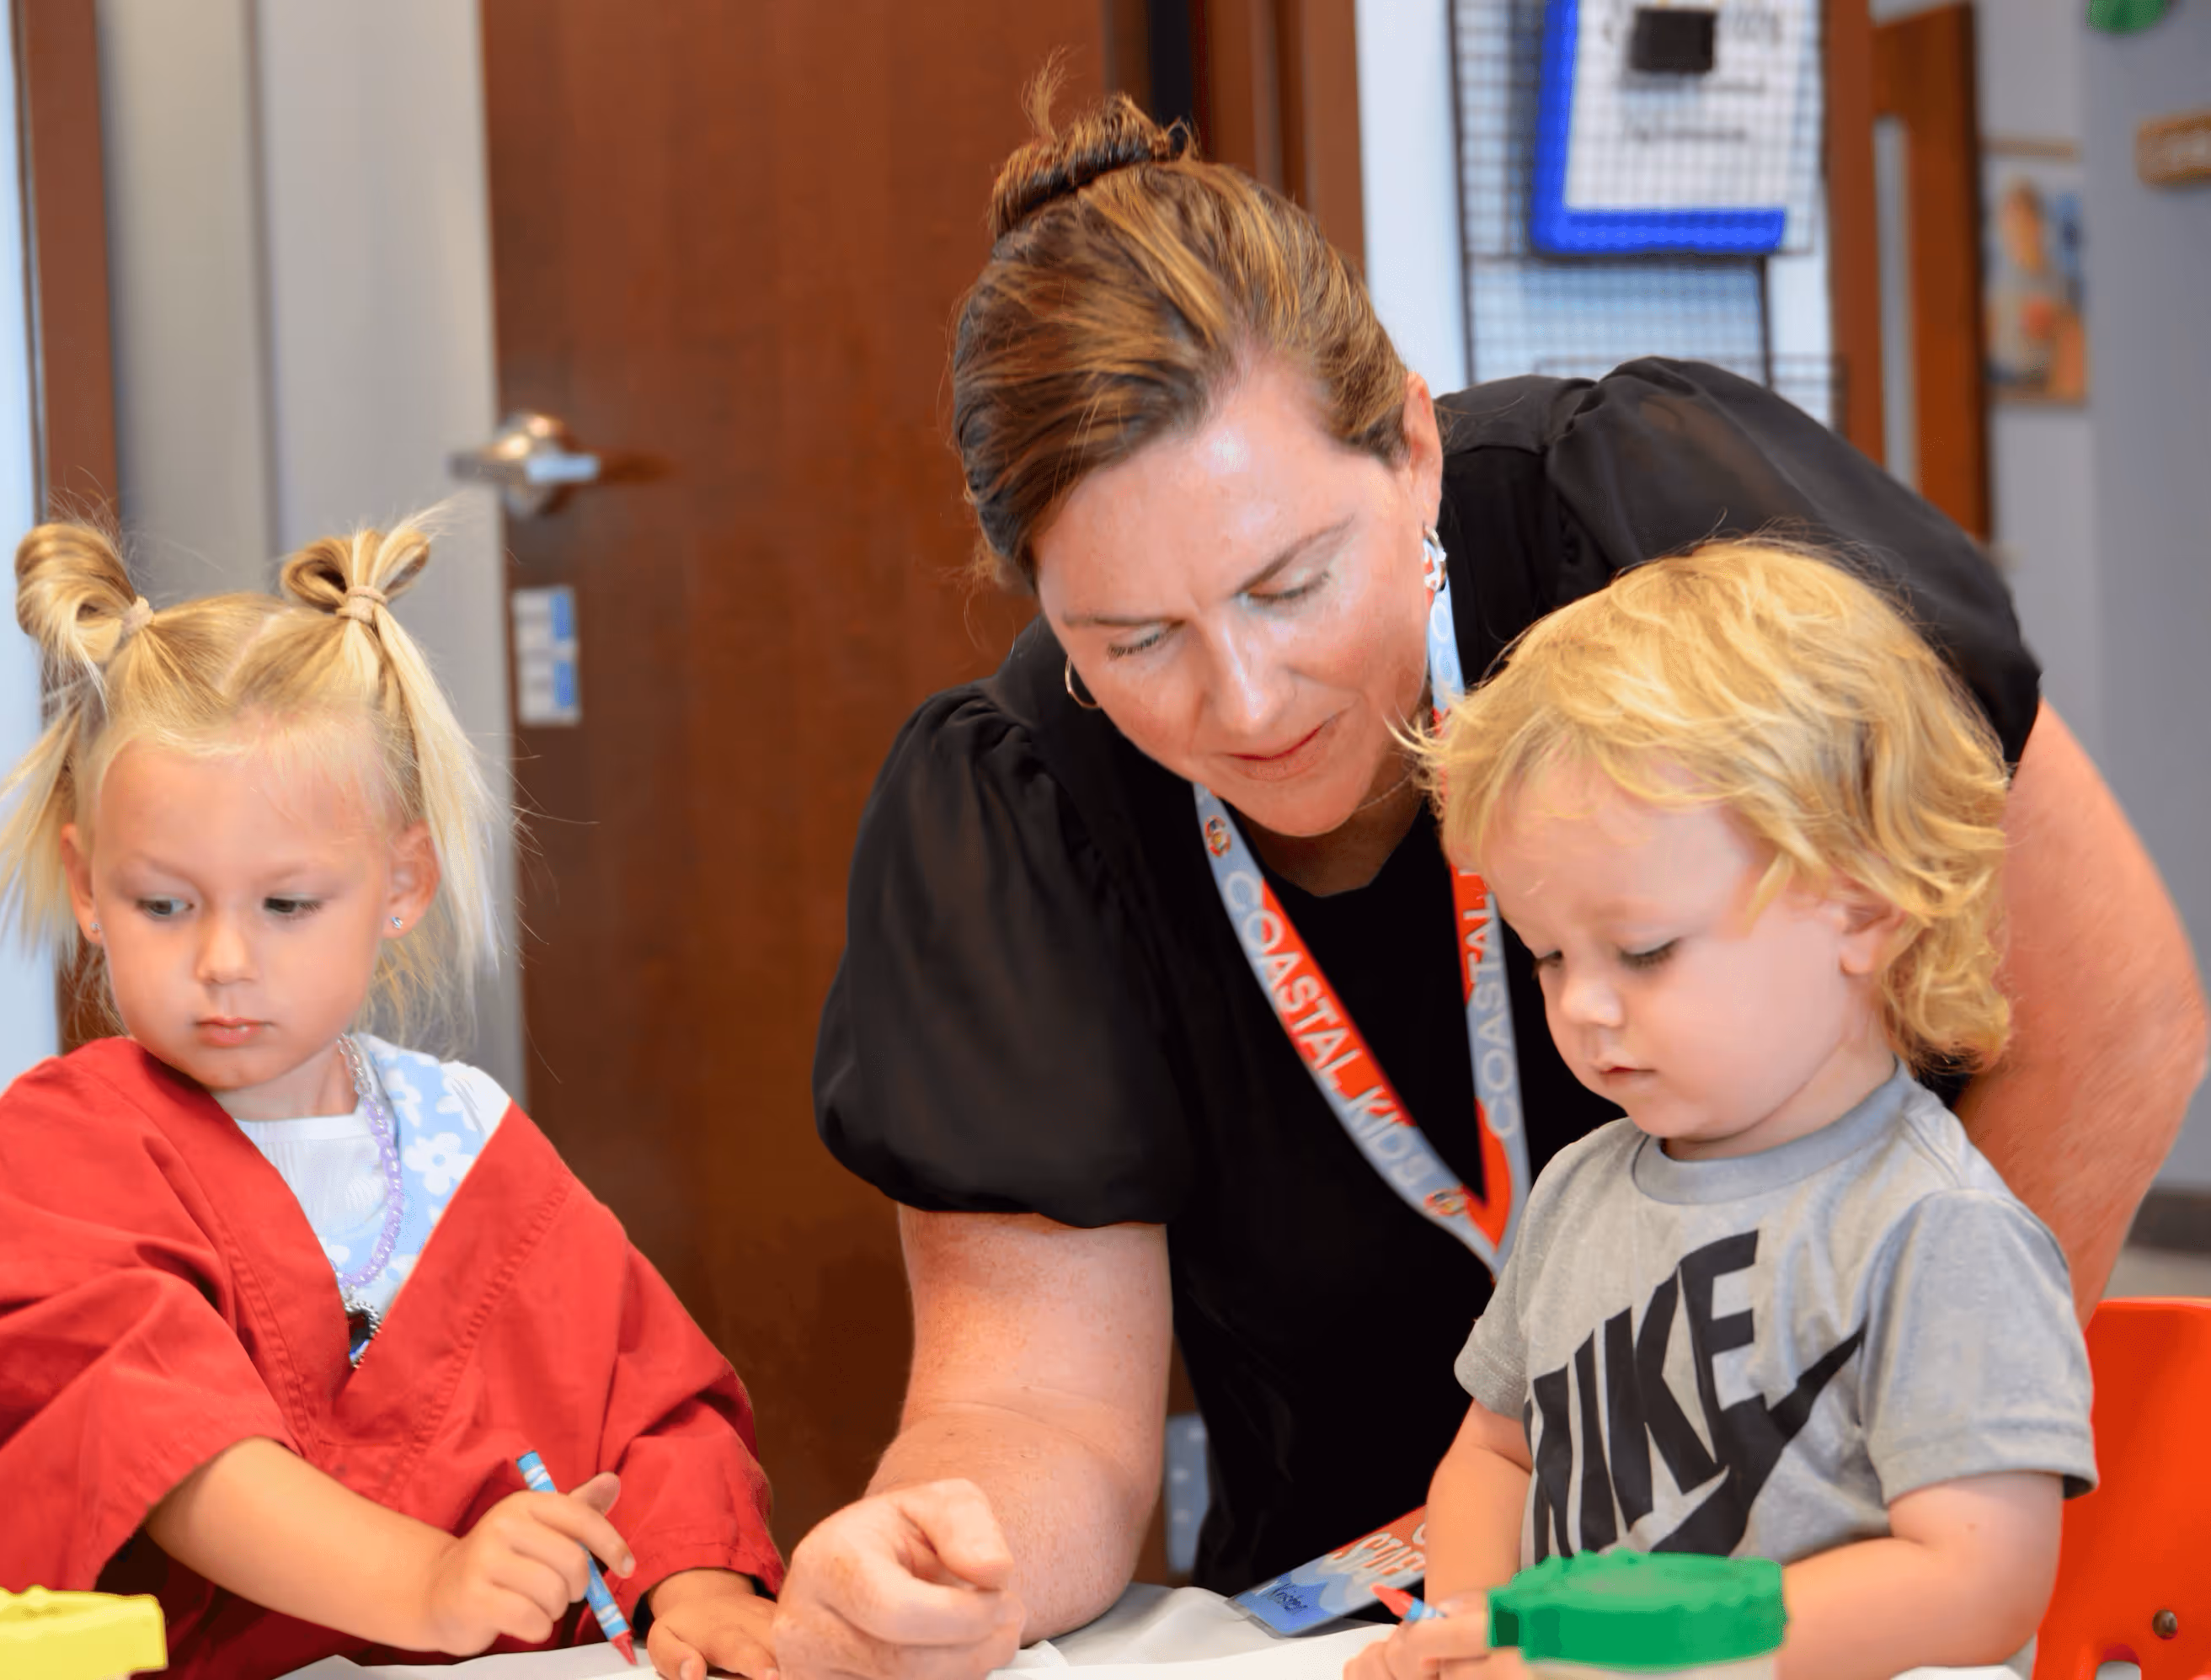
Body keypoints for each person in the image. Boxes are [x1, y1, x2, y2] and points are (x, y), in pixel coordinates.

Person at [774, 88, 2202, 1680]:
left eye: (1290, 582)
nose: (1246, 705)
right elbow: (1030, 1405)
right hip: (1385, 1621)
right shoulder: (1020, 799)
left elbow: (2109, 1017)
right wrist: (928, 1548)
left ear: (1412, 440)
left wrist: (1861, 1509)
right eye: (1136, 642)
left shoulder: (1665, 531)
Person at [0, 524, 784, 1680]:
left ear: (401, 885)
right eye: (163, 904)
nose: (225, 958)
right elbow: (162, 1447)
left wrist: (697, 1590)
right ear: (89, 888)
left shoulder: (466, 1140)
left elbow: (646, 1404)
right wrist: (426, 1583)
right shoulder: (61, 1151)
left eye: (286, 904)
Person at [1348, 541, 2093, 1680]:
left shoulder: (1936, 1230)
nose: (1584, 1006)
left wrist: (1645, 1653)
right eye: (1547, 955)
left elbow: (1979, 1580)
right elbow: (1494, 1458)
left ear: (1863, 905)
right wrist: (1481, 1625)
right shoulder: (1580, 1192)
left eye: (1643, 951)